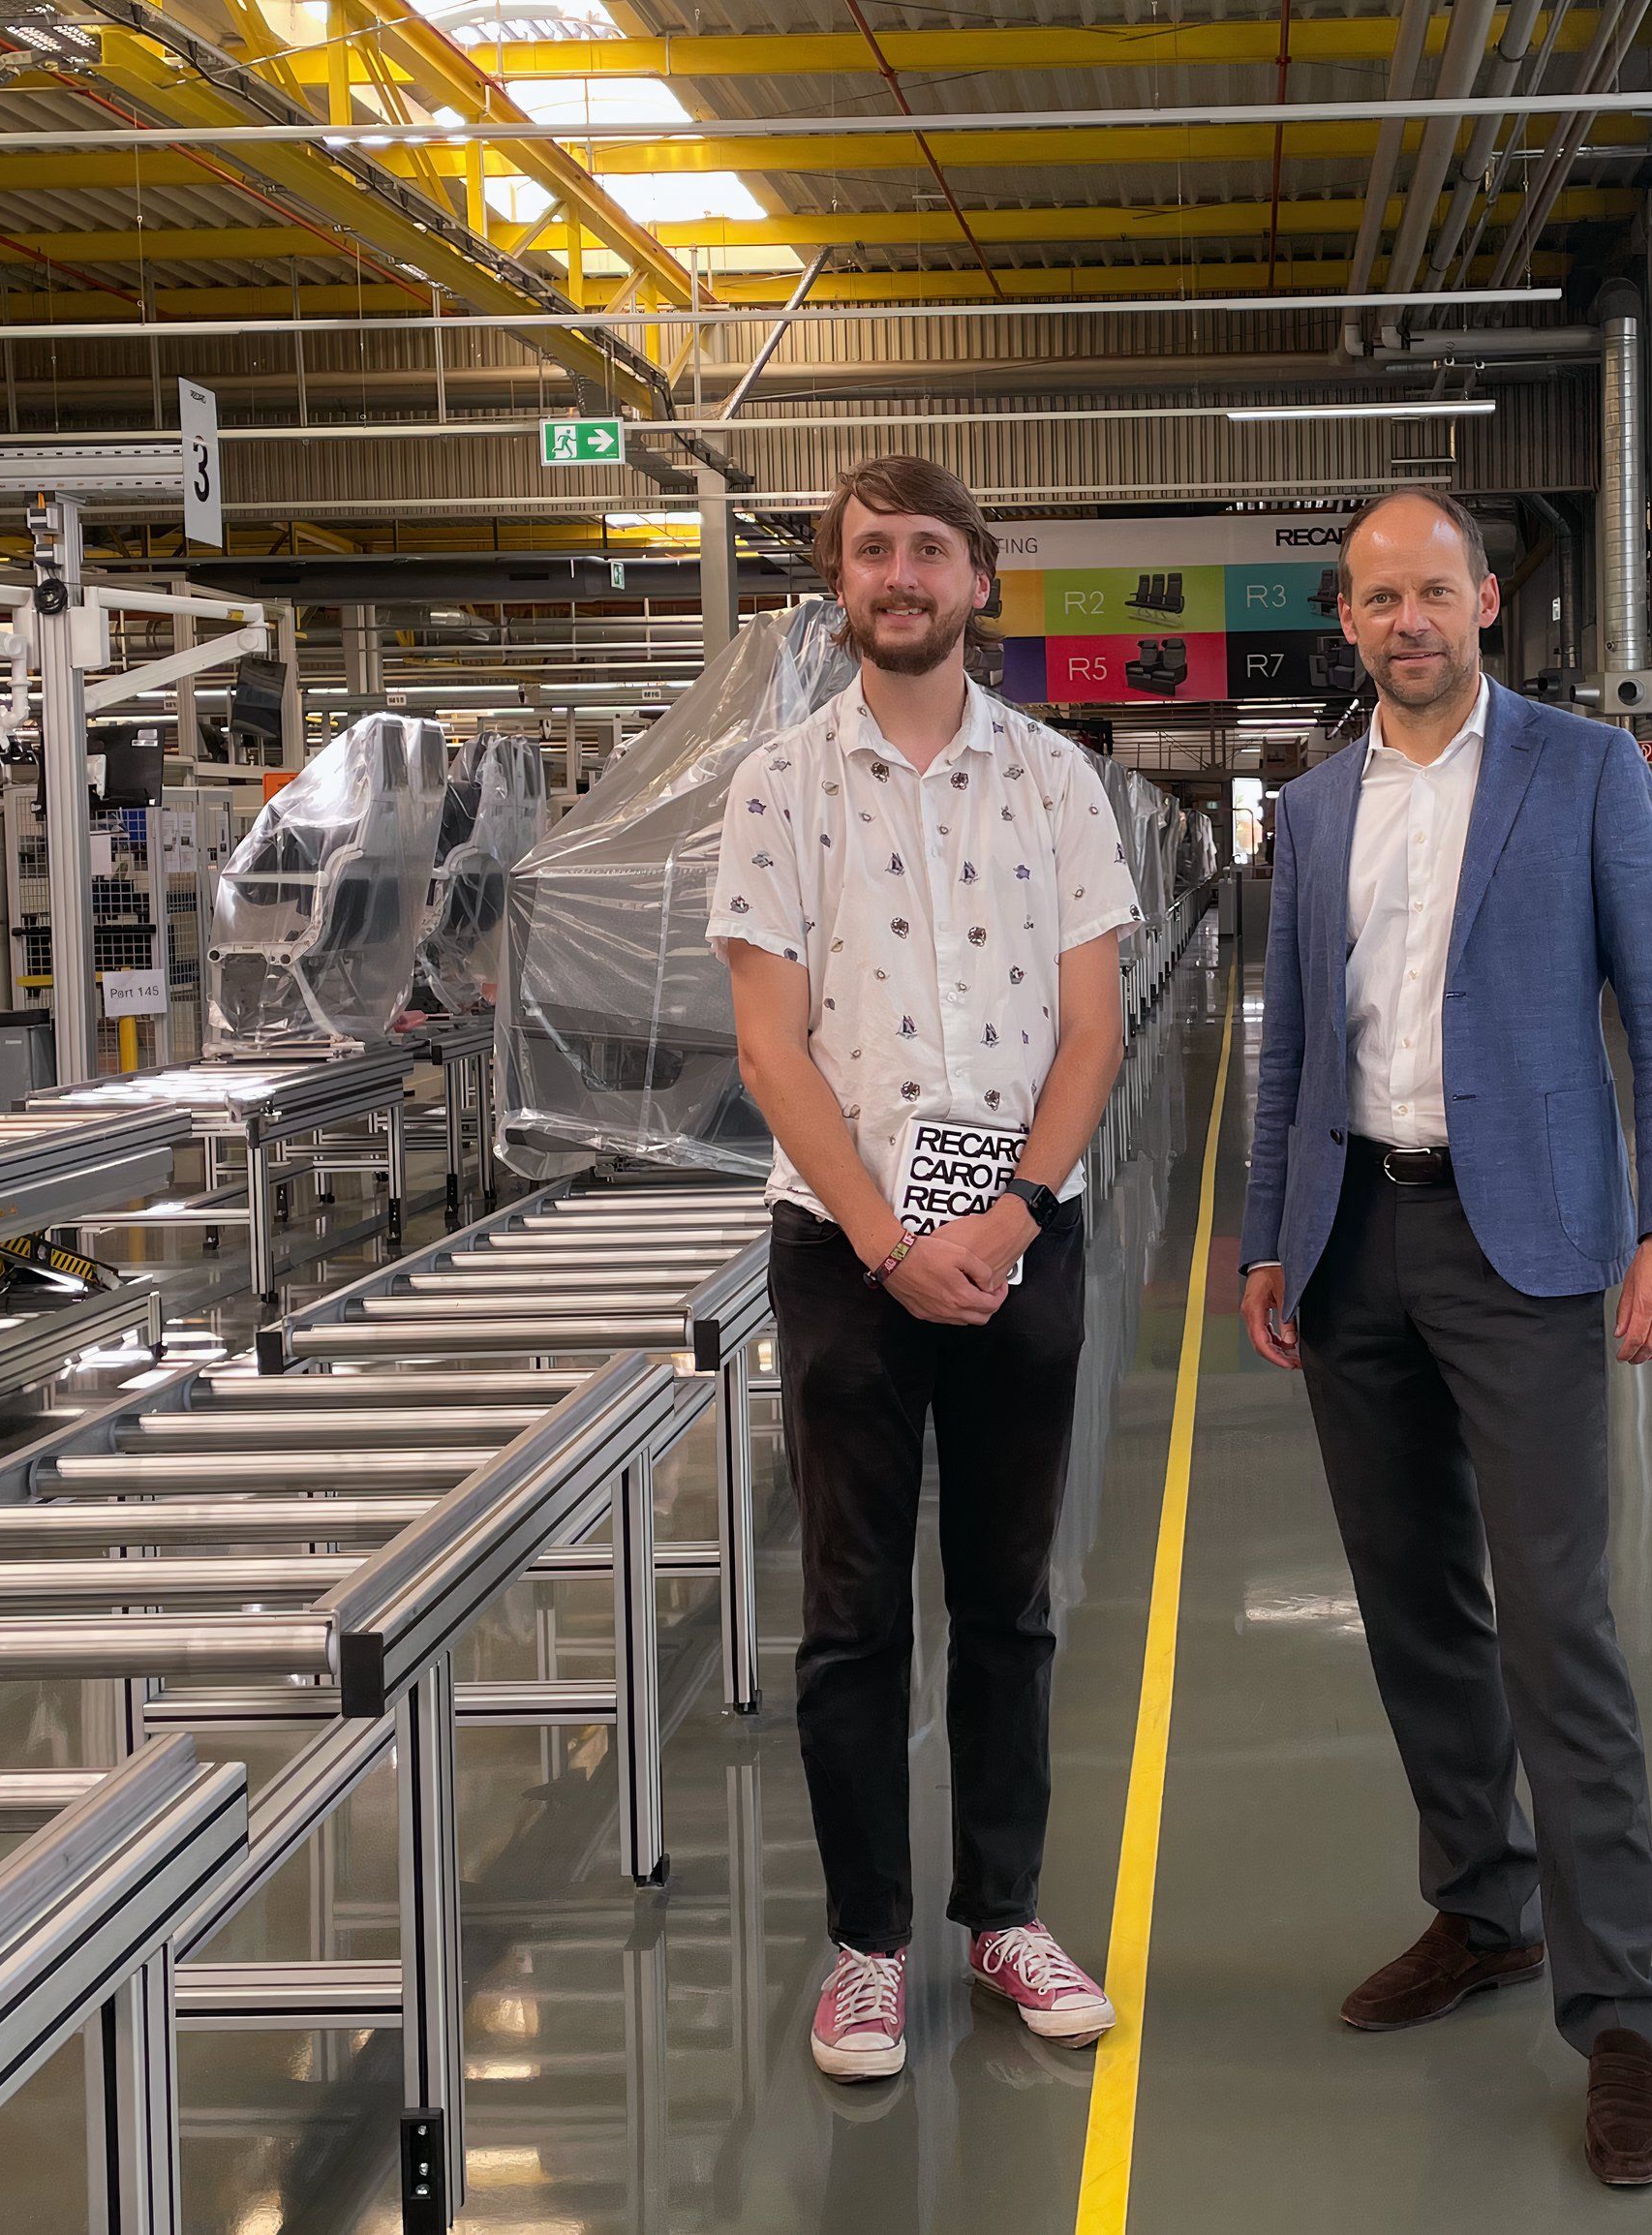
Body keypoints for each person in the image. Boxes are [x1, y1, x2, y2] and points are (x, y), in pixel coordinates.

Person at [1236, 488, 1652, 2189]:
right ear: (1349, 619)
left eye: (1431, 588)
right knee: (1414, 1608)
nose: (1406, 618)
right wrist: (1263, 1239)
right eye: (1376, 596)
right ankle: (1481, 1907)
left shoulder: (1583, 774)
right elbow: (1285, 1039)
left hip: (1526, 1248)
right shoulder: (1303, 815)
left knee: (1554, 1621)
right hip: (1354, 1235)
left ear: (1485, 600)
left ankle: (1623, 2011)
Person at [709, 454, 1140, 2084]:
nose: (900, 573)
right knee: (848, 1612)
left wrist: (1012, 1213)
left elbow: (1090, 1023)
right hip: (845, 1253)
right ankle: (867, 1944)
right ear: (841, 583)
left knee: (1008, 1603)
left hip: (1024, 1230)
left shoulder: (1055, 783)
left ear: (980, 577)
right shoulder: (776, 788)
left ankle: (1004, 1911)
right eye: (870, 549)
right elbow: (771, 1047)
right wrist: (891, 1244)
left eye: (930, 549)